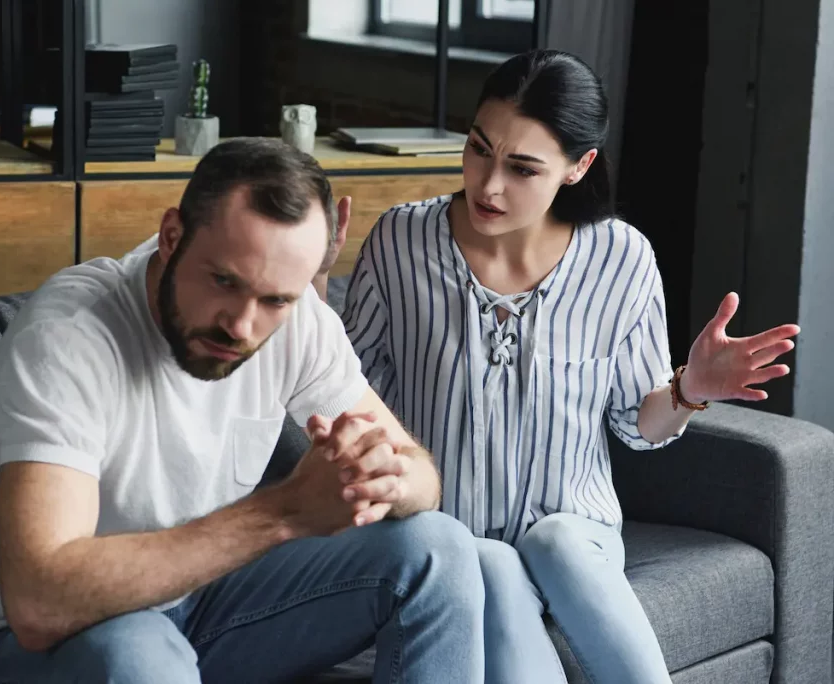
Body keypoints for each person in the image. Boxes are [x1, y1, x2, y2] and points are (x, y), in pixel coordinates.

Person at [0, 138, 486, 684]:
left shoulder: (299, 321)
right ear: (171, 237)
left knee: (438, 549)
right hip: (18, 644)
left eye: (275, 299)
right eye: (225, 281)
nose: (242, 326)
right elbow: (39, 603)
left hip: (196, 606)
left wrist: (382, 477)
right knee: (142, 651)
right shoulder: (71, 338)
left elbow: (421, 476)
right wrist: (285, 512)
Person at [333, 49, 800, 684]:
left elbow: (637, 425)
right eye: (478, 149)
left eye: (523, 168)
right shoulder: (400, 242)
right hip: (442, 535)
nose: (489, 184)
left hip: (577, 536)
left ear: (579, 167)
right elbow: (349, 393)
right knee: (488, 560)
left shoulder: (621, 257)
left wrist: (690, 389)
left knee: (551, 540)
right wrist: (302, 312)